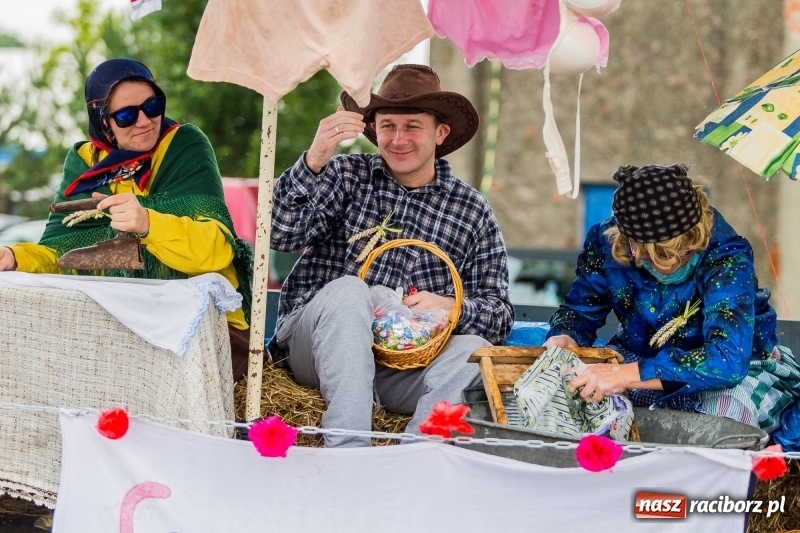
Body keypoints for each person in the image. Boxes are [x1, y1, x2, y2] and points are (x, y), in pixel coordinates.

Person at [269, 64, 514, 447]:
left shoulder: (472, 210)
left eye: (412, 126)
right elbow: (280, 234)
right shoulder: (345, 174)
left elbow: (500, 316)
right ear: (374, 129)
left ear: (440, 133)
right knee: (350, 290)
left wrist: (451, 306)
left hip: (402, 367)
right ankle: (348, 451)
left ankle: (414, 457)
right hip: (316, 352)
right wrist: (315, 158)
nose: (398, 139)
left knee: (473, 351)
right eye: (388, 126)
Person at [0, 58, 253, 381]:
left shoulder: (184, 146)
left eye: (152, 105)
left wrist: (147, 223)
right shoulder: (84, 164)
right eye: (126, 116)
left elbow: (217, 251)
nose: (145, 121)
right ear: (102, 121)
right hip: (121, 328)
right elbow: (61, 253)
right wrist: (15, 257)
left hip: (205, 330)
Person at [544, 163, 800, 433]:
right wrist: (566, 335)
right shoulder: (606, 241)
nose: (649, 264)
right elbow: (579, 311)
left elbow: (726, 362)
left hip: (730, 371)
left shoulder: (726, 257)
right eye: (641, 254)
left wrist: (626, 375)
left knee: (721, 420)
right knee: (575, 394)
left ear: (692, 242)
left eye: (665, 256)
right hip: (639, 357)